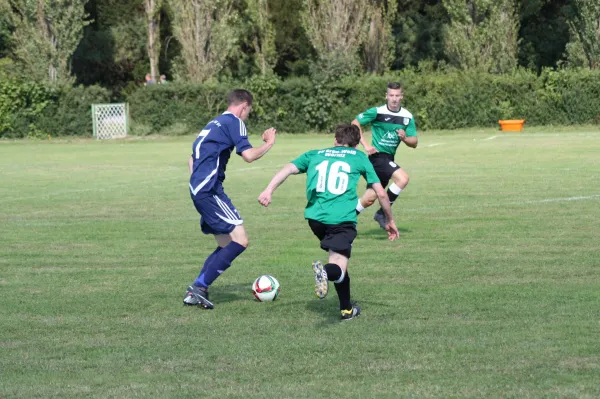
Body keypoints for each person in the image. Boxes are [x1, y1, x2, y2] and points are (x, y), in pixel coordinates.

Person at [258, 123, 399, 321]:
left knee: (341, 262)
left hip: (315, 219)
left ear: (335, 140)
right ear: (357, 144)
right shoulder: (359, 157)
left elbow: (287, 169)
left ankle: (347, 310)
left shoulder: (314, 154)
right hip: (341, 220)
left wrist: (268, 190)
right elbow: (381, 193)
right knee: (337, 265)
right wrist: (389, 220)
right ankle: (324, 272)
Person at [184, 89, 277, 309]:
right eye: (249, 110)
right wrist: (269, 143)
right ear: (244, 105)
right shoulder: (235, 122)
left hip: (200, 189)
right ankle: (199, 287)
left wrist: (197, 182)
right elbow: (248, 156)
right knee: (240, 240)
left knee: (226, 244)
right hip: (209, 190)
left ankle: (197, 289)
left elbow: (191, 158)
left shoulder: (213, 123)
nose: (247, 114)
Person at [352, 82, 418, 229]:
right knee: (403, 179)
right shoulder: (377, 112)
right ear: (386, 96)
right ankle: (382, 213)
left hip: (388, 158)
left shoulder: (407, 116)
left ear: (402, 96)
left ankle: (345, 219)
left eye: (397, 95)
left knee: (369, 198)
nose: (394, 99)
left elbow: (414, 142)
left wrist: (405, 138)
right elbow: (355, 123)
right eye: (391, 95)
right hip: (377, 157)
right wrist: (366, 145)